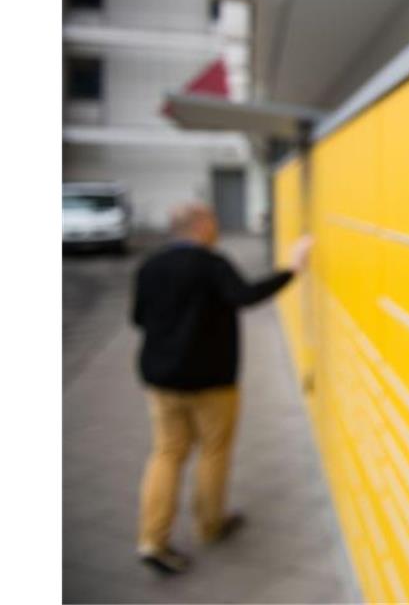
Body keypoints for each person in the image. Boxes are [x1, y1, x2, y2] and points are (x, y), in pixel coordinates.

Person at [130, 201, 312, 574]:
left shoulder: (150, 266)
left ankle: (152, 539)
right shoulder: (211, 265)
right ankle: (210, 525)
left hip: (161, 379)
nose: (216, 229)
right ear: (199, 226)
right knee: (214, 451)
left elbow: (138, 318)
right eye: (213, 222)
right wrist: (293, 269)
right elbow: (245, 297)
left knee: (166, 453)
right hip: (211, 380)